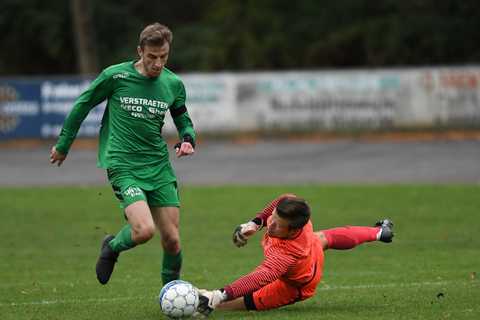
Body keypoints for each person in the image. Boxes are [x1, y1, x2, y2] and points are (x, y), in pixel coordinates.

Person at [49, 22, 196, 286]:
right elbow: (83, 104)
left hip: (159, 166)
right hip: (123, 164)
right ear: (140, 51)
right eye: (152, 57)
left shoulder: (173, 83)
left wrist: (187, 138)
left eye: (163, 57)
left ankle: (171, 294)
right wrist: (63, 144)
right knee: (144, 230)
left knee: (172, 240)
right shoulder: (116, 76)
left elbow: (182, 117)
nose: (158, 64)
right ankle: (113, 247)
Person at [196, 194, 394, 316]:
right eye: (272, 217)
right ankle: (379, 232)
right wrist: (255, 223)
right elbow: (282, 199)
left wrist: (220, 294)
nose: (270, 224)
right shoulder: (297, 218)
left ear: (291, 232)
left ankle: (198, 300)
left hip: (296, 285)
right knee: (324, 238)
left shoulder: (286, 254)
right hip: (310, 251)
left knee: (227, 305)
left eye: (276, 224)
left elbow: (259, 278)